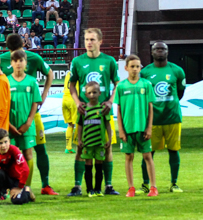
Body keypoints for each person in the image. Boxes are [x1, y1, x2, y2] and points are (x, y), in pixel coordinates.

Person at [0, 34, 57, 195]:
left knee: (36, 148)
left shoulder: (32, 58)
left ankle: (41, 185)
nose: (18, 61)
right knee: (17, 151)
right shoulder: (3, 59)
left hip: (30, 114)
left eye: (21, 58)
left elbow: (50, 73)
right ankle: (16, 187)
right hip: (12, 117)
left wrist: (43, 95)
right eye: (14, 58)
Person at [67, 28, 120, 197]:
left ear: (100, 41)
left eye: (92, 39)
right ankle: (77, 186)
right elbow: (71, 85)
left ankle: (108, 186)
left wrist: (110, 101)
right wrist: (77, 102)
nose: (88, 42)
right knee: (80, 147)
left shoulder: (109, 61)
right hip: (84, 112)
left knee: (107, 147)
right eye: (86, 39)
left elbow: (117, 84)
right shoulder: (77, 61)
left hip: (103, 112)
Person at [138, 41, 186, 194]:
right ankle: (146, 184)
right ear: (151, 52)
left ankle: (174, 183)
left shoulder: (177, 71)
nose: (160, 51)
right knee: (148, 152)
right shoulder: (145, 72)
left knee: (173, 150)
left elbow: (180, 92)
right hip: (152, 120)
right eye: (156, 49)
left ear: (167, 51)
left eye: (162, 49)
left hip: (172, 117)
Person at [116, 54, 157, 198]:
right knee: (129, 157)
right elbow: (119, 110)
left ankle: (153, 187)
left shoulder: (146, 85)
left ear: (140, 68)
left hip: (143, 127)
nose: (135, 69)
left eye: (137, 66)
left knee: (147, 156)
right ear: (126, 68)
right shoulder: (121, 86)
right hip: (127, 128)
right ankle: (131, 187)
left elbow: (150, 107)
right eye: (132, 66)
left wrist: (149, 127)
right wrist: (121, 130)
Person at [7, 50, 41, 186]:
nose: (18, 63)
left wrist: (29, 122)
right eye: (15, 61)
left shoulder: (32, 81)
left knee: (28, 155)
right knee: (10, 157)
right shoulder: (6, 81)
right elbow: (2, 104)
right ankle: (12, 187)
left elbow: (35, 103)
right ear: (11, 63)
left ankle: (27, 187)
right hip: (10, 126)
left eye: (21, 60)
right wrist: (9, 125)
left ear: (26, 63)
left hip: (27, 126)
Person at [0, 128, 34, 206]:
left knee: (17, 200)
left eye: (5, 142)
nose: (3, 145)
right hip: (3, 180)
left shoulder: (14, 150)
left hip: (16, 181)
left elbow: (25, 169)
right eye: (0, 143)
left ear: (9, 141)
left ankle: (27, 190)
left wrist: (20, 187)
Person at [77, 80, 110, 197]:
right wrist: (79, 139)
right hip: (88, 142)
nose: (92, 95)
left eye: (94, 92)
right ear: (86, 94)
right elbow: (80, 125)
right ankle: (90, 189)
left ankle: (98, 189)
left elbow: (107, 124)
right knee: (88, 165)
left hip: (99, 142)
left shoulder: (103, 108)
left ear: (99, 93)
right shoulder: (83, 109)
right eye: (89, 93)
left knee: (99, 166)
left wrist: (109, 139)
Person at [62, 72, 78, 154]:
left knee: (70, 125)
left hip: (64, 99)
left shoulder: (68, 73)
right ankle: (80, 146)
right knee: (78, 124)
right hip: (73, 100)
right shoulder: (78, 73)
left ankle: (68, 148)